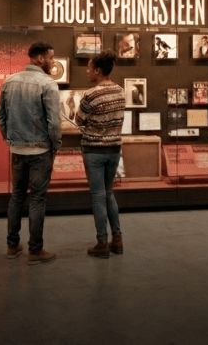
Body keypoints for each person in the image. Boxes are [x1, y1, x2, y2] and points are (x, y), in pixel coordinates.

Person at [0, 42, 62, 265]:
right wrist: (55, 145)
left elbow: (0, 118)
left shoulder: (9, 81)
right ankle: (35, 251)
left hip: (17, 149)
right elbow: (53, 123)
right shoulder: (48, 84)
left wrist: (10, 139)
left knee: (16, 196)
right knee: (37, 199)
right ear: (40, 59)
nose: (53, 62)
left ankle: (12, 246)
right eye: (51, 58)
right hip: (41, 150)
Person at [76, 50, 127, 259]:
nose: (87, 71)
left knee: (97, 196)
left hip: (93, 150)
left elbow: (79, 121)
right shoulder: (121, 91)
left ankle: (101, 243)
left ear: (97, 70)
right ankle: (118, 240)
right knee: (109, 194)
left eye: (89, 67)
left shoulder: (91, 95)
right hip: (114, 149)